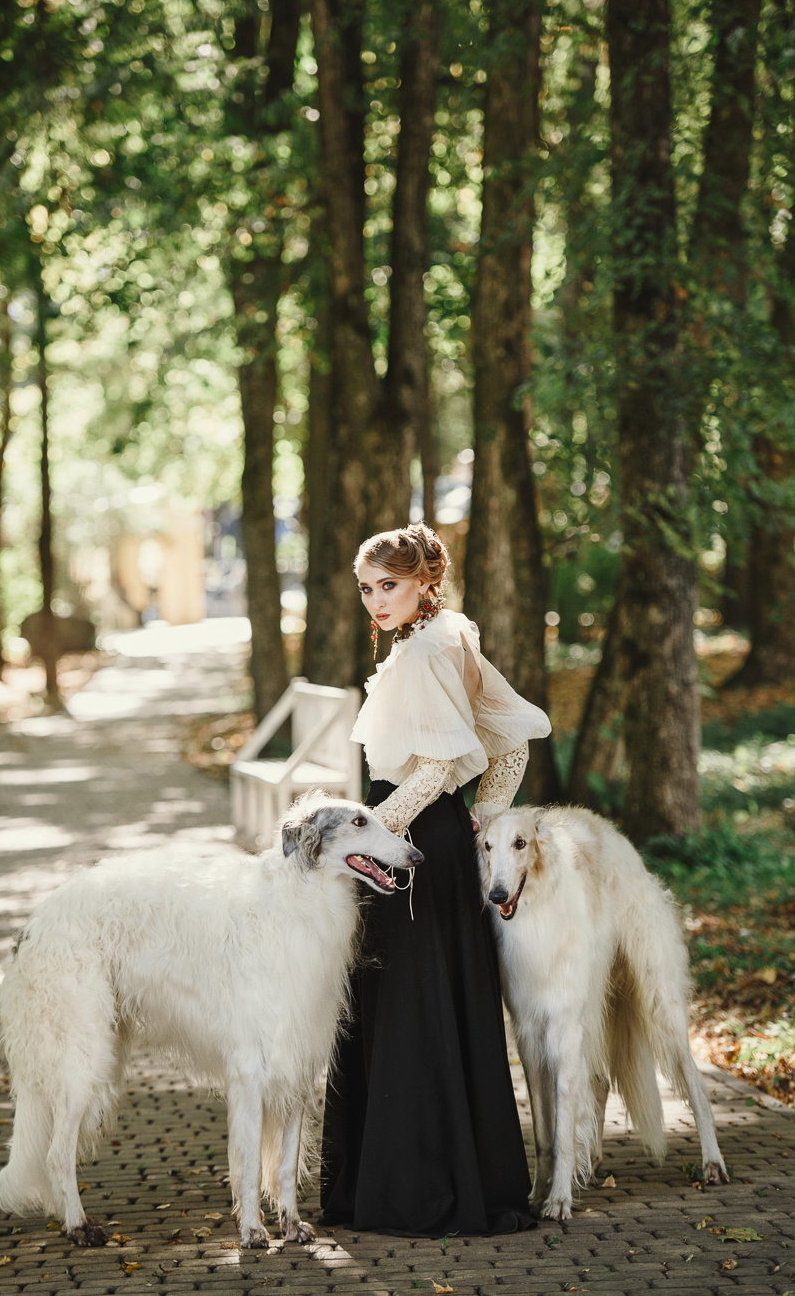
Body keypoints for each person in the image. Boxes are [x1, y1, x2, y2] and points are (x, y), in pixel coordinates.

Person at [320, 522, 552, 1237]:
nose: (374, 601)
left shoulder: (427, 650)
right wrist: (481, 818)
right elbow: (505, 744)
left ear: (424, 581)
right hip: (435, 845)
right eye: (366, 589)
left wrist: (371, 830)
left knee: (409, 1009)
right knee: (424, 1005)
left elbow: (439, 767)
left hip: (411, 852)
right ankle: (461, 1179)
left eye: (387, 585)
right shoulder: (449, 636)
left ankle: (411, 1190)